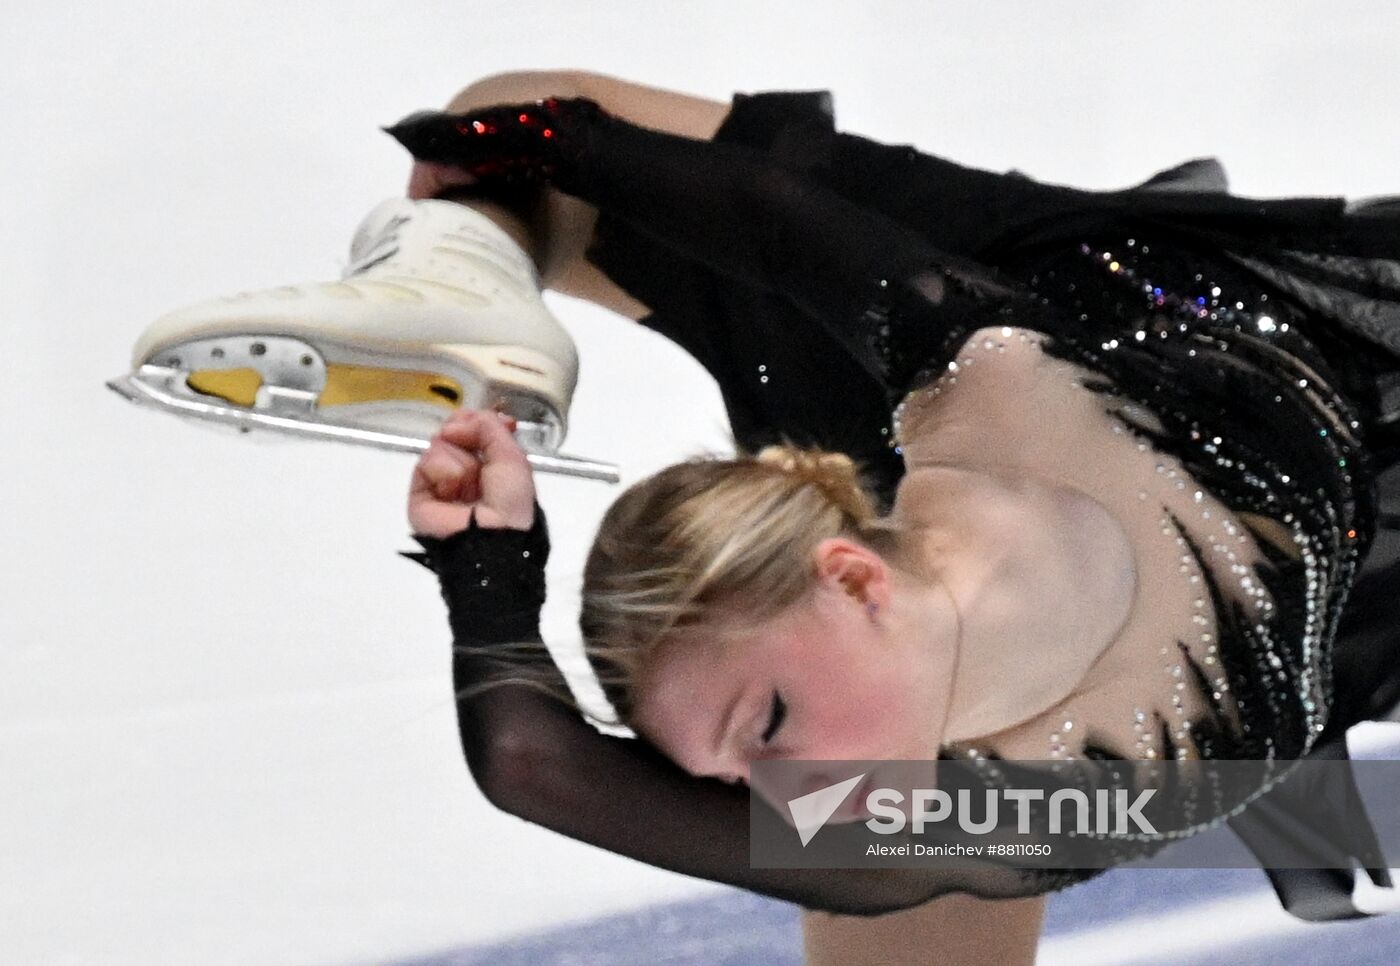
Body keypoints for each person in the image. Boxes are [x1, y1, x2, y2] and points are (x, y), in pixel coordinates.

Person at [386, 71, 1400, 960]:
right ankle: (467, 257)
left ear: (852, 576)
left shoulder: (999, 376)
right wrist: (486, 569)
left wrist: (560, 142)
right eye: (731, 778)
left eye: (767, 728)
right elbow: (532, 766)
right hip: (1317, 562)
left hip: (1175, 324)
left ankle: (465, 255)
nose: (785, 803)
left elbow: (779, 222)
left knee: (492, 122)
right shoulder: (1000, 815)